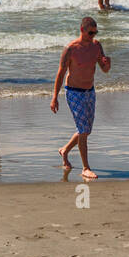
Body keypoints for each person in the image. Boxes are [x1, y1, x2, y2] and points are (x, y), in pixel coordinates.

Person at [50, 16, 111, 179]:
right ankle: (86, 168)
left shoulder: (96, 46)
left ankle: (64, 150)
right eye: (91, 33)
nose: (93, 36)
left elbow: (104, 69)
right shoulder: (71, 49)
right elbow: (60, 73)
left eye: (95, 32)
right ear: (82, 30)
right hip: (74, 92)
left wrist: (107, 64)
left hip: (89, 91)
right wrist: (55, 97)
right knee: (83, 130)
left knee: (86, 130)